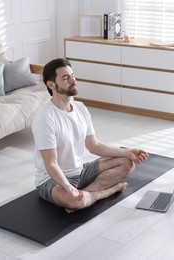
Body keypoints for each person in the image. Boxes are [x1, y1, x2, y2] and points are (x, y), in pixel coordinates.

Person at [32, 58, 148, 213]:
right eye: (66, 78)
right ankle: (106, 191)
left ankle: (85, 195)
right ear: (51, 85)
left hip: (81, 171)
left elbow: (94, 145)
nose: (73, 80)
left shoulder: (80, 108)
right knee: (73, 202)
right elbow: (51, 164)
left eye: (72, 75)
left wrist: (127, 152)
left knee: (128, 163)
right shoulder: (45, 117)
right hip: (52, 181)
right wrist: (67, 187)